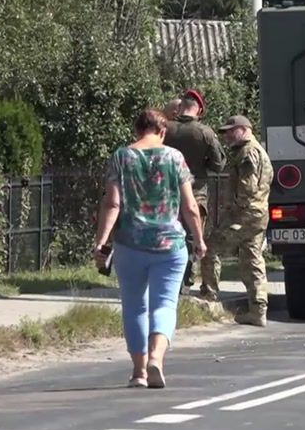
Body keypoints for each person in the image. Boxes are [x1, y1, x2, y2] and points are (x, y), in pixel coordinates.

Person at [93, 109, 205, 389]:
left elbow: (112, 204)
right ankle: (156, 357)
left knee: (134, 307)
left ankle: (139, 371)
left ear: (136, 130)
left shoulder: (122, 156)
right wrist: (199, 239)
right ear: (163, 131)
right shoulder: (174, 157)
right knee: (164, 303)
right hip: (170, 245)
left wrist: (102, 241)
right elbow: (189, 206)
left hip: (130, 243)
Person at [201, 115, 273, 326]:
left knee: (211, 248)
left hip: (244, 214)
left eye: (231, 131)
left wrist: (234, 210)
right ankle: (258, 310)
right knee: (252, 259)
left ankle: (209, 296)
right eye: (225, 133)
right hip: (258, 213)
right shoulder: (258, 150)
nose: (227, 136)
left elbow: (247, 188)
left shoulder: (247, 152)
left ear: (244, 129)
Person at [164, 92, 225, 293]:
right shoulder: (205, 133)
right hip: (196, 191)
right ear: (198, 109)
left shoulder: (164, 129)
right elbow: (219, 165)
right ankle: (185, 280)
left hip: (165, 192)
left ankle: (166, 278)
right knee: (191, 238)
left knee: (167, 234)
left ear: (180, 107)